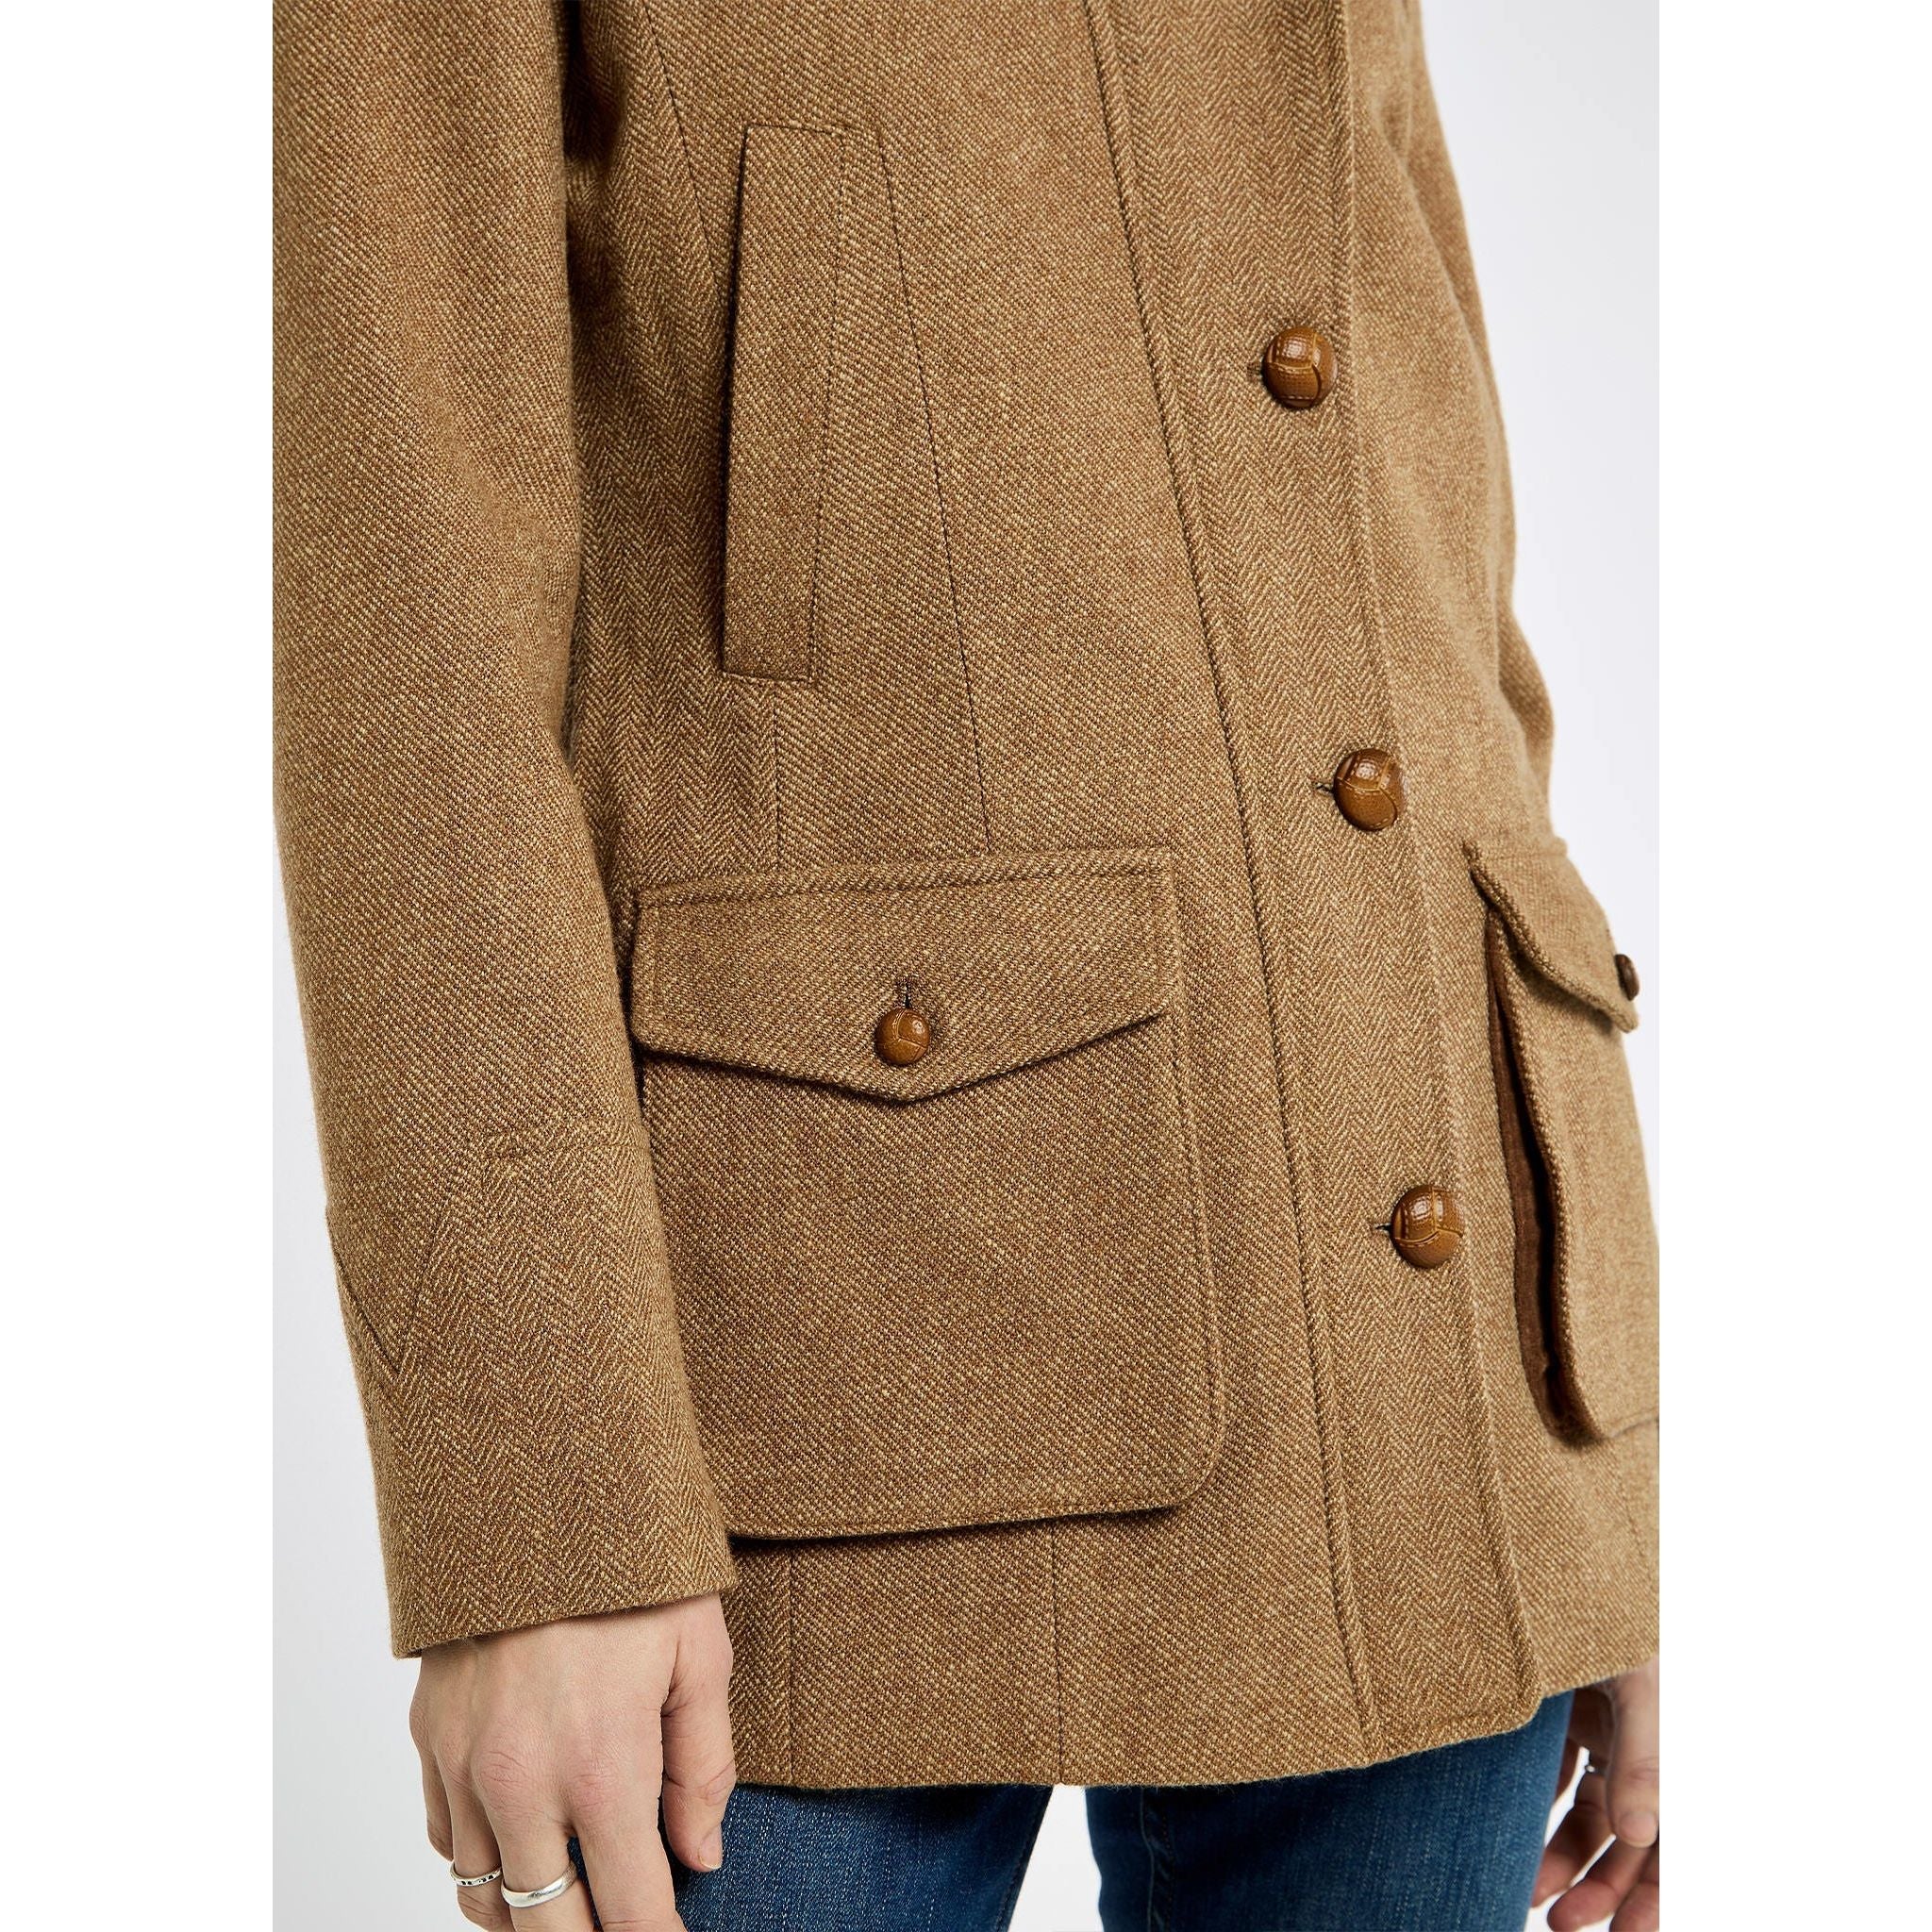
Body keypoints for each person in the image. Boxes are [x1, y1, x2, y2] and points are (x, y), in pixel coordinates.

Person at [275, 0, 1659, 1926]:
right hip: (807, 1399)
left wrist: (1602, 1477)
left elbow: (1414, 486)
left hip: (1425, 1353)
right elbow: (400, 634)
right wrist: (538, 1506)